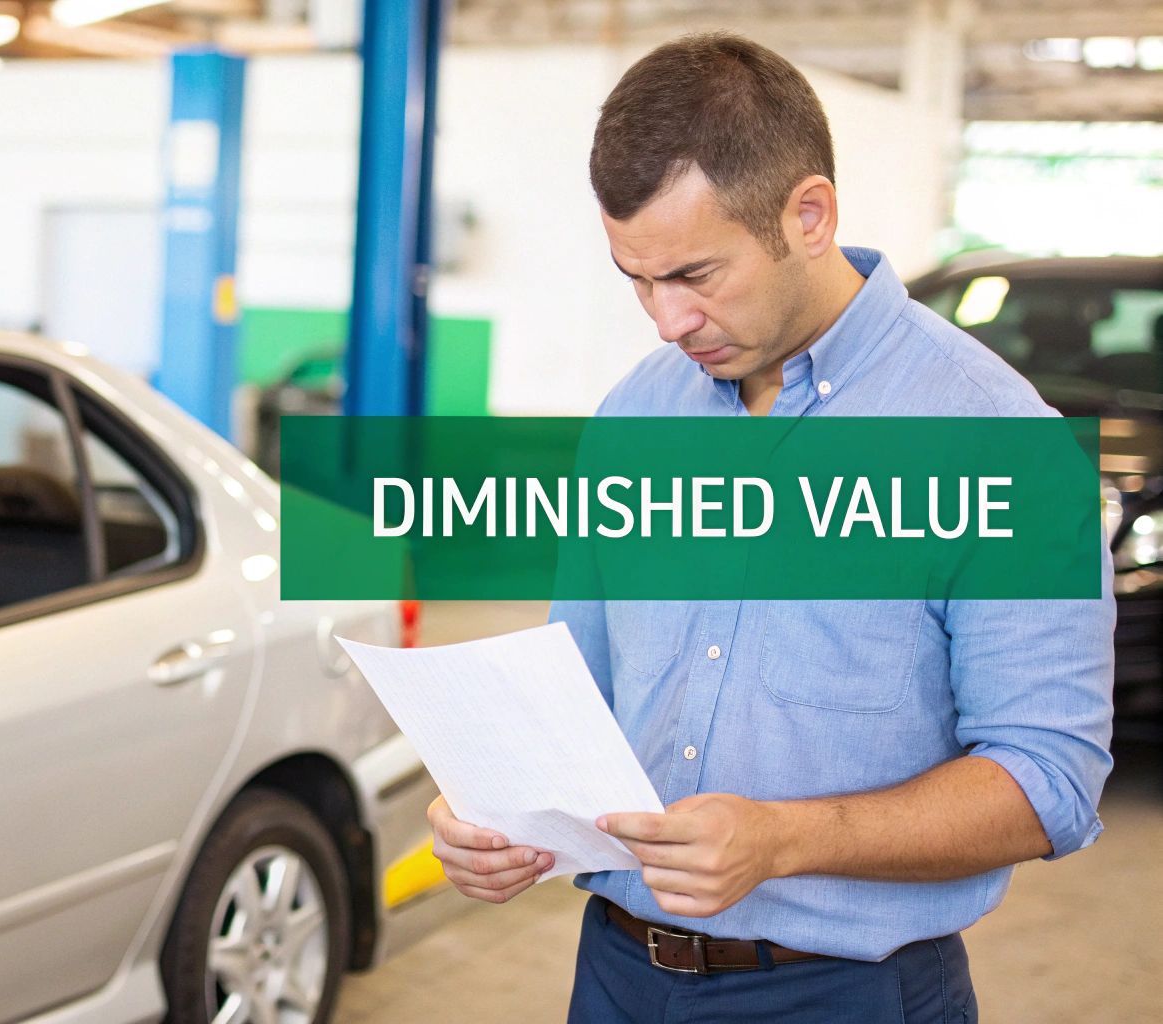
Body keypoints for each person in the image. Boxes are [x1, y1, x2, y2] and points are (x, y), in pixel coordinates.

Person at [425, 32, 1114, 1022]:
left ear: (808, 214)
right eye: (636, 278)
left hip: (846, 993)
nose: (665, 321)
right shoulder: (634, 418)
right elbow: (569, 684)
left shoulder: (1001, 445)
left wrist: (787, 838)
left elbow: (1047, 777)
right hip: (614, 976)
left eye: (695, 275)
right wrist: (492, 813)